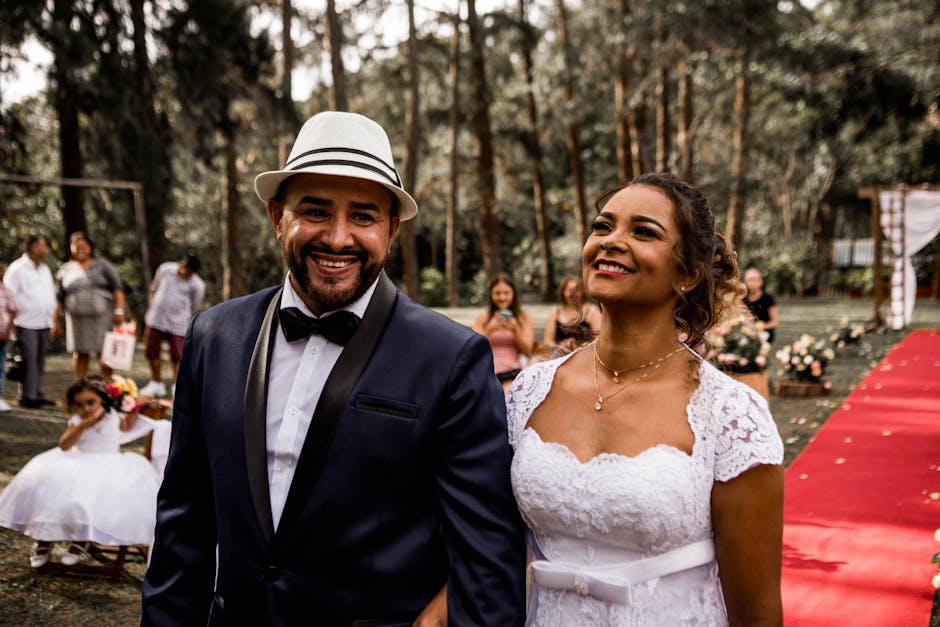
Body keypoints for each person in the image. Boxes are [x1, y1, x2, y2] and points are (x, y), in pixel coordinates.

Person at [142, 111, 526, 625]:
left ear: (391, 229)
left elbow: (487, 558)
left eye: (363, 217)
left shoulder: (451, 358)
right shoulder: (214, 336)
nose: (338, 238)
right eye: (316, 211)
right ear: (278, 216)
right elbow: (182, 525)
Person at [506, 172, 784, 625]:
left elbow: (756, 614)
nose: (611, 241)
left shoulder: (729, 415)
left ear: (688, 275)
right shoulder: (529, 392)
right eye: (602, 226)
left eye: (643, 232)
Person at [0, 375, 160, 568]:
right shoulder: (77, 420)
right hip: (77, 460)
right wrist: (84, 425)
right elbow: (65, 445)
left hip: (109, 462)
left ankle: (81, 539)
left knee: (94, 498)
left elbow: (126, 427)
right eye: (80, 404)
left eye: (91, 402)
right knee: (55, 497)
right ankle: (44, 540)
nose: (86, 408)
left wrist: (136, 405)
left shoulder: (113, 414)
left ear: (103, 399)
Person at [52, 231, 126, 380]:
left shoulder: (103, 265)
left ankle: (108, 385)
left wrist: (119, 311)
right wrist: (55, 321)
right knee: (80, 352)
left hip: (102, 317)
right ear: (71, 248)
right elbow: (58, 297)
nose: (80, 249)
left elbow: (118, 289)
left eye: (84, 246)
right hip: (76, 320)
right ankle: (80, 384)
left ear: (90, 247)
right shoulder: (65, 269)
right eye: (76, 246)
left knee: (104, 352)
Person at [139, 253, 206, 398]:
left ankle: (177, 386)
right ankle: (156, 383)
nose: (183, 271)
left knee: (177, 356)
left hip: (178, 322)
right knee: (151, 351)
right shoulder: (165, 269)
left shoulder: (198, 285)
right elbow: (154, 287)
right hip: (156, 318)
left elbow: (195, 304)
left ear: (194, 273)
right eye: (183, 267)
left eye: (188, 271)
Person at [3, 234, 57, 409]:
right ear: (33, 247)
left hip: (44, 321)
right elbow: (8, 295)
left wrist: (53, 319)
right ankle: (27, 396)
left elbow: (50, 294)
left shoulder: (44, 269)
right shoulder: (17, 268)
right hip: (25, 322)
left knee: (40, 360)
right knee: (28, 360)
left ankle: (36, 393)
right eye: (43, 245)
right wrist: (12, 323)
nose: (46, 249)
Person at [472, 274, 536, 392]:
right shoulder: (482, 318)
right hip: (487, 371)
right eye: (497, 293)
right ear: (491, 294)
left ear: (513, 294)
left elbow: (528, 350)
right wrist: (489, 329)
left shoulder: (523, 317)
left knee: (506, 393)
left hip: (512, 372)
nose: (502, 297)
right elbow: (476, 350)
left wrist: (515, 330)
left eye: (506, 293)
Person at [542, 274, 601, 353]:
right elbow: (547, 341)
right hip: (560, 356)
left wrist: (579, 346)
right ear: (563, 292)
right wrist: (562, 347)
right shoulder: (555, 312)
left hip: (585, 355)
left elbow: (599, 339)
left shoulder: (592, 311)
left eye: (577, 291)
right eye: (570, 290)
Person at [743, 266, 779, 344]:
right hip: (746, 337)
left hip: (765, 338)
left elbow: (774, 322)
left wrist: (759, 327)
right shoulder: (742, 299)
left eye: (755, 280)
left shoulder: (768, 298)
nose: (752, 283)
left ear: (761, 281)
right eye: (749, 280)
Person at [0, 262, 17, 412]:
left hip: (4, 336)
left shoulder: (6, 290)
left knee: (1, 366)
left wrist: (7, 330)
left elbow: (12, 311)